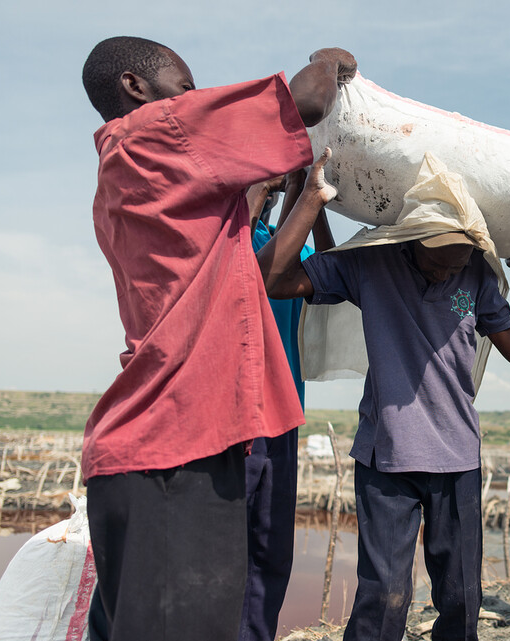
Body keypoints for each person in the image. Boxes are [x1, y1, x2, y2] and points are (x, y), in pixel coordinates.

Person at [80, 36, 355, 641]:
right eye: (186, 88)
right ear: (135, 88)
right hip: (174, 452)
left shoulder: (128, 174)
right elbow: (308, 97)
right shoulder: (155, 134)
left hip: (170, 448)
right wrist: (332, 60)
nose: (196, 99)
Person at [257, 163, 510, 641]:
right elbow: (272, 278)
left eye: (456, 263)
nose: (446, 271)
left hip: (457, 457)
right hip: (386, 455)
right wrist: (307, 197)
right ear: (412, 239)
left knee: (460, 597)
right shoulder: (372, 263)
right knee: (384, 595)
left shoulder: (474, 273)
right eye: (438, 261)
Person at [241, 173, 335, 641]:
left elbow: (330, 261)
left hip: (284, 413)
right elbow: (252, 252)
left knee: (271, 549)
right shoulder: (229, 237)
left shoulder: (286, 251)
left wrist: (304, 187)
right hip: (237, 415)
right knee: (227, 544)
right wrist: (263, 183)